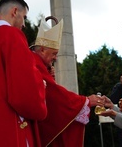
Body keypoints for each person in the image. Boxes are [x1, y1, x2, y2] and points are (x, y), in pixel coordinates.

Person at [29, 16, 105, 147]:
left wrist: (50, 77)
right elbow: (54, 96)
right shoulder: (35, 63)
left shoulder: (37, 62)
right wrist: (85, 101)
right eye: (54, 54)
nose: (55, 58)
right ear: (42, 49)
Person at [0, 0, 47, 147]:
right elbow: (23, 90)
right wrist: (40, 85)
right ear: (14, 12)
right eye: (24, 17)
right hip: (8, 127)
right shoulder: (11, 35)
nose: (24, 24)